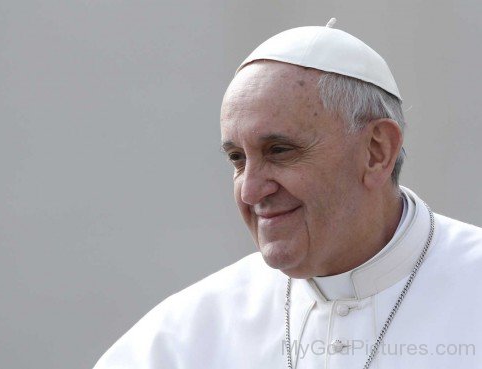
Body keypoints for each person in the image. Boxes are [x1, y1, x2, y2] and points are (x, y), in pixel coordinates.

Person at [93, 19, 482, 368]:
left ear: (377, 151)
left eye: (279, 151)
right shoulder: (184, 335)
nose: (250, 190)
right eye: (237, 159)